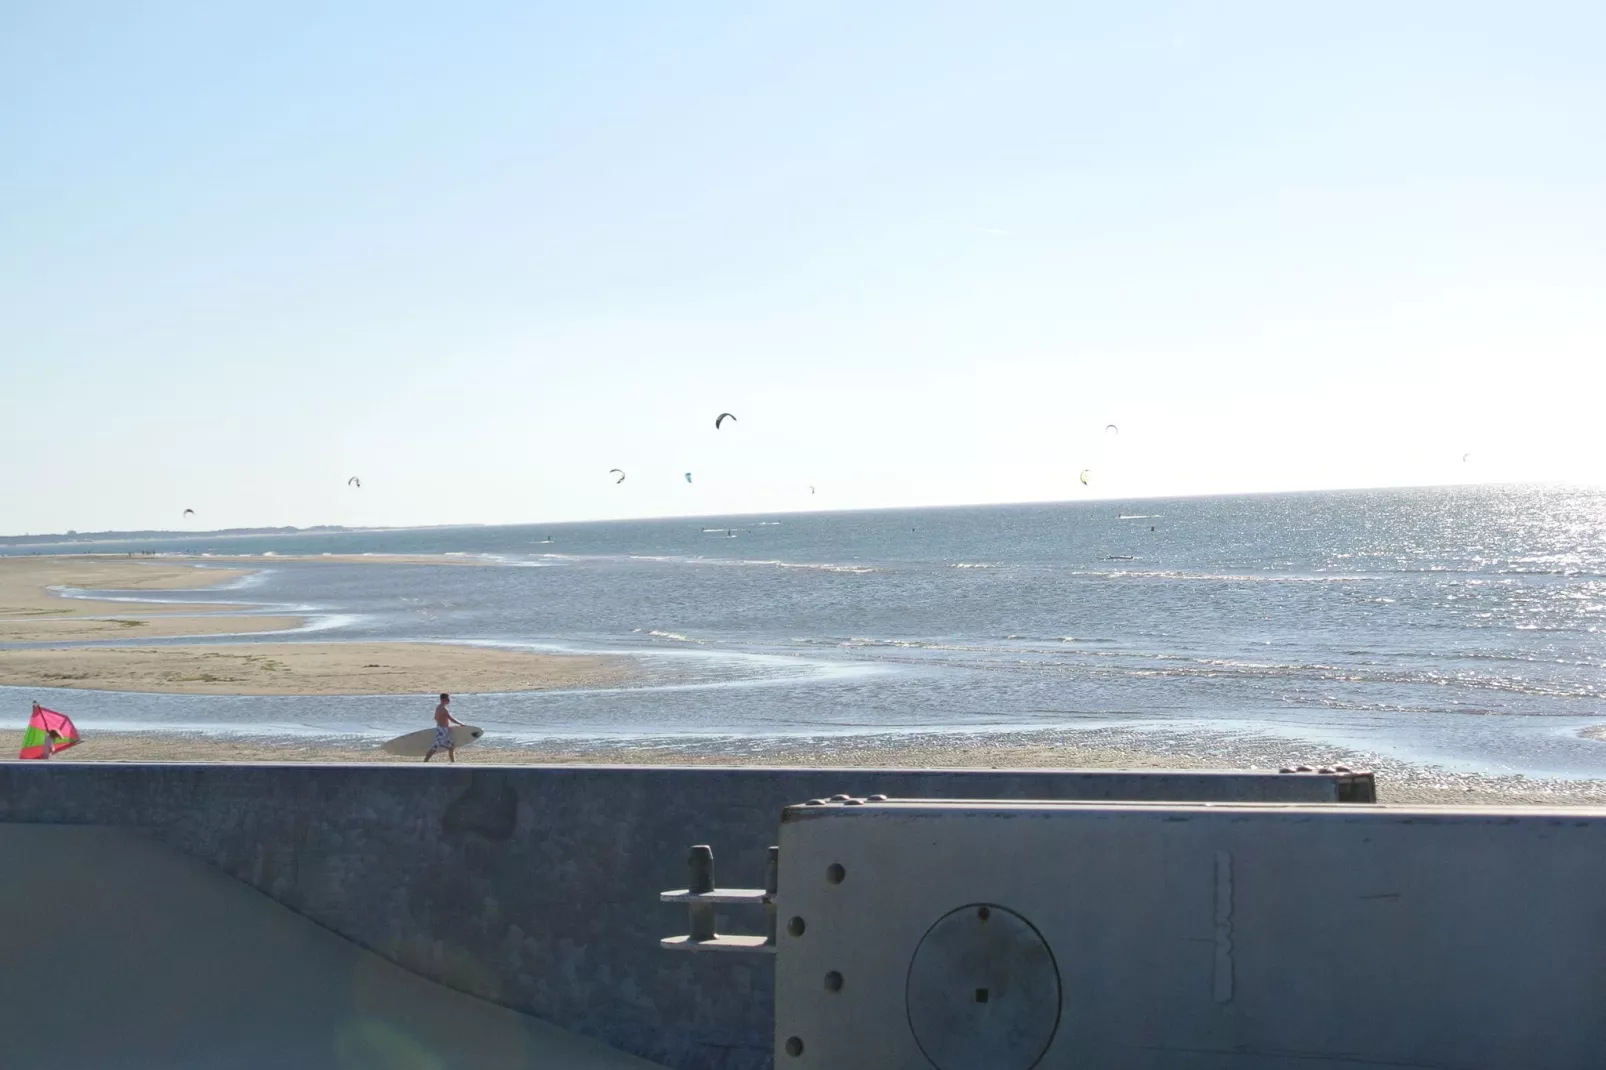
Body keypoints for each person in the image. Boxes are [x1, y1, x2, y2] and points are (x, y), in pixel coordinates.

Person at [423, 693, 464, 763]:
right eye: (448, 699)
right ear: (443, 699)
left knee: (451, 747)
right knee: (435, 747)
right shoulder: (443, 709)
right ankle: (425, 762)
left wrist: (442, 724)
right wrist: (460, 723)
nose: (449, 700)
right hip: (442, 730)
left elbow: (435, 718)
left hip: (442, 729)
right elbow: (451, 719)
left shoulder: (438, 708)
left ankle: (453, 763)